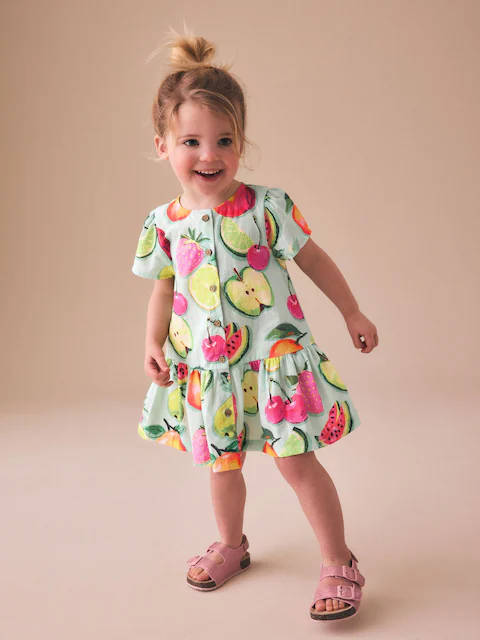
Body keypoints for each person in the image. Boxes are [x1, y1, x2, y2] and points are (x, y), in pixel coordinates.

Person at [132, 29, 378, 622]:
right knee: (222, 464)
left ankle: (339, 561)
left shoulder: (267, 207)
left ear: (241, 143)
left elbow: (314, 260)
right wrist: (152, 341)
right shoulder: (163, 223)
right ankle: (231, 545)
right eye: (191, 141)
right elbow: (163, 287)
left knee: (296, 463)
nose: (209, 155)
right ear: (163, 146)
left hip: (273, 362)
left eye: (224, 140)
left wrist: (351, 311)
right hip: (209, 369)